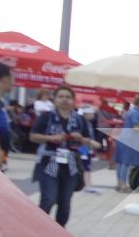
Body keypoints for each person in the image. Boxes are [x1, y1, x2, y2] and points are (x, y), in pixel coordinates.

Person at [27, 86, 97, 227]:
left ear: (73, 100)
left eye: (68, 97)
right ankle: (38, 228)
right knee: (49, 198)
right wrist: (51, 138)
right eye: (60, 97)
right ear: (55, 99)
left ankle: (60, 232)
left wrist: (82, 140)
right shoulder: (46, 117)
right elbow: (33, 137)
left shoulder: (79, 120)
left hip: (70, 166)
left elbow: (93, 143)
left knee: (65, 202)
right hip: (48, 163)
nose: (64, 100)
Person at [116, 95, 139, 191]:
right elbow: (136, 127)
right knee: (125, 163)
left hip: (125, 139)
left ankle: (119, 184)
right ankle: (122, 185)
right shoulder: (135, 113)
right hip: (129, 140)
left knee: (121, 163)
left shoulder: (133, 112)